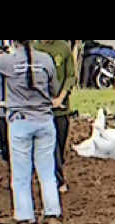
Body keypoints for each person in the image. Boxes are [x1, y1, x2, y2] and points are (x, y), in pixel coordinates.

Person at [0, 41, 61, 224]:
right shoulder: (46, 60)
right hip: (44, 120)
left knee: (21, 173)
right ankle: (52, 212)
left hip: (21, 121)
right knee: (47, 171)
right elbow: (54, 89)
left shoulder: (7, 61)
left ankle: (25, 215)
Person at [33, 40, 76, 191]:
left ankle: (56, 172)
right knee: (51, 146)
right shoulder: (35, 48)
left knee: (60, 143)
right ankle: (58, 180)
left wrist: (60, 98)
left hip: (61, 108)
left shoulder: (63, 47)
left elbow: (70, 76)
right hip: (42, 108)